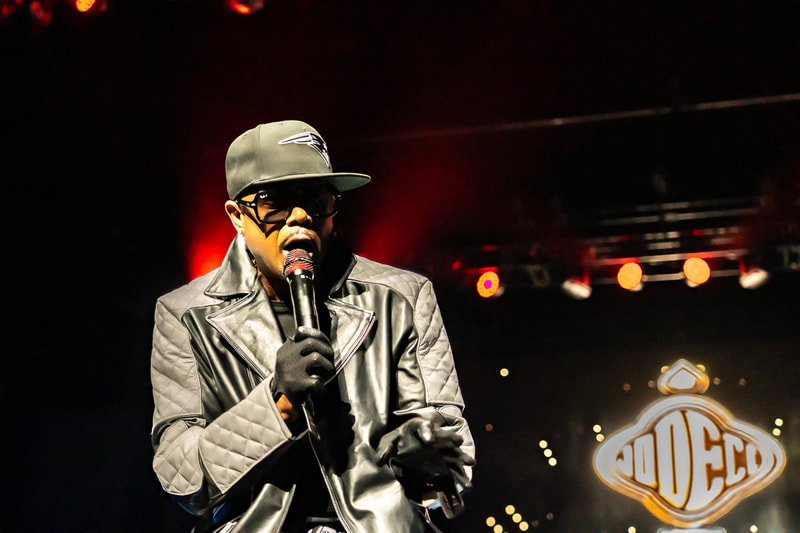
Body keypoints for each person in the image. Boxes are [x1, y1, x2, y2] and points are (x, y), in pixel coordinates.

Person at [150, 120, 475, 533]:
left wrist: (427, 463)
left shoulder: (403, 298)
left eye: (316, 199)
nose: (300, 217)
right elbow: (184, 479)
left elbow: (450, 455)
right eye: (274, 203)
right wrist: (278, 403)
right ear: (237, 215)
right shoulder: (185, 315)